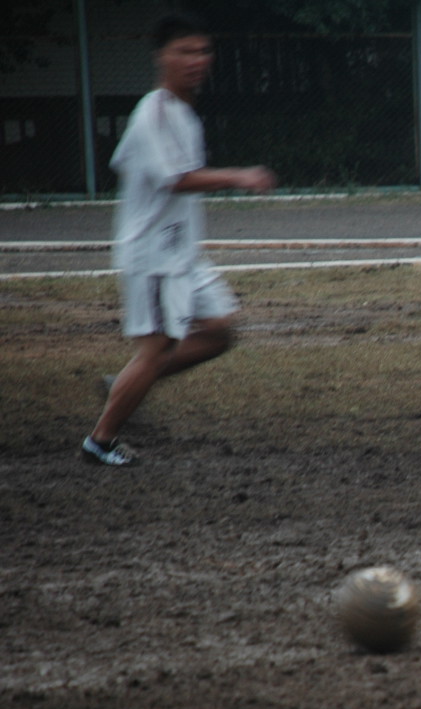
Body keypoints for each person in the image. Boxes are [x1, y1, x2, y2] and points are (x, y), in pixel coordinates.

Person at [82, 12, 276, 467]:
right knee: (157, 348)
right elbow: (176, 178)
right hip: (153, 256)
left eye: (203, 51)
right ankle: (100, 441)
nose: (196, 60)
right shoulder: (153, 112)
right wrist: (238, 176)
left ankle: (126, 384)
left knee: (219, 331)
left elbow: (127, 163)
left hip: (181, 254)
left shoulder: (181, 113)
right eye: (184, 51)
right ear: (161, 57)